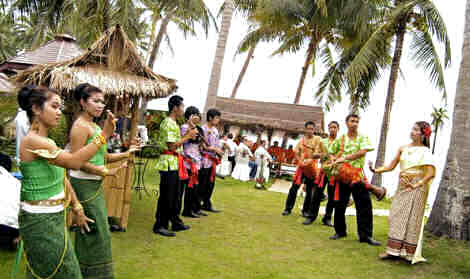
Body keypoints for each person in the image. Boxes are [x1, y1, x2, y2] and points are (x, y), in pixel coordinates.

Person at [17, 85, 115, 279]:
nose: (59, 112)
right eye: (54, 106)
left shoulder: (47, 142)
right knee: (65, 272)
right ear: (36, 109)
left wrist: (76, 206)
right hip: (40, 219)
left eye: (60, 107)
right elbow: (74, 162)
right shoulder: (32, 141)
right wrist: (103, 136)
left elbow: (61, 175)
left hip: (52, 216)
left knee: (53, 270)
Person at [68, 83, 140, 278]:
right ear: (83, 102)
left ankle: (90, 273)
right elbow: (74, 161)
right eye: (95, 101)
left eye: (102, 101)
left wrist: (127, 153)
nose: (100, 105)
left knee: (97, 232)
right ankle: (88, 273)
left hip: (94, 185)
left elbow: (104, 156)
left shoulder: (95, 125)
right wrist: (103, 172)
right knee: (94, 232)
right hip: (82, 185)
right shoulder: (80, 127)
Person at [370, 121, 435, 263]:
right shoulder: (403, 148)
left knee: (412, 218)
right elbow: (391, 166)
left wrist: (417, 184)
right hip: (402, 186)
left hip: (417, 188)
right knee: (395, 215)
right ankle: (393, 251)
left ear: (423, 134)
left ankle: (407, 254)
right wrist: (376, 170)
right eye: (412, 128)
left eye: (416, 130)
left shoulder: (425, 152)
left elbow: (430, 173)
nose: (412, 131)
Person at [328, 114, 381, 246]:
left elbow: (362, 152)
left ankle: (366, 235)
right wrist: (333, 160)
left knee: (364, 205)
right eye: (352, 121)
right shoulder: (341, 138)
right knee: (340, 204)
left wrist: (345, 158)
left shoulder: (363, 137)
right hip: (342, 176)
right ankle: (340, 231)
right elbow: (331, 151)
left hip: (357, 176)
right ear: (346, 123)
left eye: (357, 121)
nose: (355, 123)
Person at [153, 95, 198, 237]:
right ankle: (160, 225)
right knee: (167, 195)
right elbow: (172, 146)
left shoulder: (174, 123)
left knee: (175, 195)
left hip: (175, 163)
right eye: (182, 107)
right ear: (175, 108)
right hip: (168, 163)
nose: (183, 110)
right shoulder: (168, 123)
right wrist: (188, 136)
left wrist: (190, 131)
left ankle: (174, 221)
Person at [282, 121, 326, 221]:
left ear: (314, 130)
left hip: (312, 168)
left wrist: (312, 158)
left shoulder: (318, 139)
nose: (310, 130)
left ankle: (305, 211)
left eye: (312, 129)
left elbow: (321, 152)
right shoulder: (301, 141)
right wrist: (299, 160)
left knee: (309, 191)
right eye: (308, 128)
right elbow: (296, 152)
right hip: (301, 168)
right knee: (294, 188)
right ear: (305, 129)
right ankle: (288, 209)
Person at [306, 121, 341, 227]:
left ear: (338, 129)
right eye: (330, 127)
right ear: (328, 128)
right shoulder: (322, 141)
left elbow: (344, 155)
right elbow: (314, 154)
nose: (332, 129)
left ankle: (327, 218)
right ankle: (311, 216)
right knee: (316, 194)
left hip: (334, 172)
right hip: (323, 171)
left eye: (335, 127)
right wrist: (323, 155)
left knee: (332, 197)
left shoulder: (341, 142)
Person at [180, 106, 203, 218]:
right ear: (188, 116)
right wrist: (192, 126)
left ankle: (189, 209)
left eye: (197, 114)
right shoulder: (184, 127)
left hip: (196, 161)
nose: (196, 117)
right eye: (194, 114)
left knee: (193, 188)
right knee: (188, 187)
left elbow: (200, 139)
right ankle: (186, 210)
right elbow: (193, 138)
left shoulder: (196, 128)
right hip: (187, 161)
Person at [199, 108, 224, 213]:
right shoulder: (202, 129)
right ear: (210, 118)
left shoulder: (215, 131)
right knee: (202, 183)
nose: (218, 120)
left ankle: (206, 203)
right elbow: (201, 146)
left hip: (212, 160)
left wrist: (219, 152)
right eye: (217, 118)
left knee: (210, 184)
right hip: (204, 160)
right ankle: (197, 204)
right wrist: (214, 149)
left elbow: (217, 144)